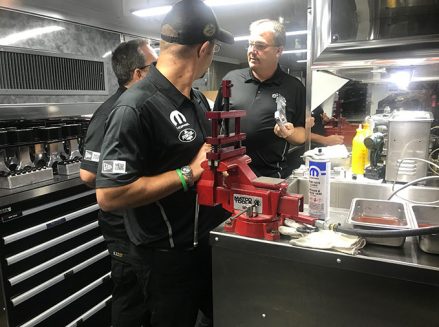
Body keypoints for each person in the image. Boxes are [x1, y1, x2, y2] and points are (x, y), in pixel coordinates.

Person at [95, 1, 233, 326]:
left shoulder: (197, 100)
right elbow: (110, 195)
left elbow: (205, 161)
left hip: (206, 247)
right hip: (165, 262)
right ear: (204, 49)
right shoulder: (135, 108)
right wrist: (188, 173)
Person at [80, 39, 157, 327]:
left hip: (141, 225)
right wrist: (125, 183)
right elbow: (88, 175)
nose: (161, 71)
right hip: (121, 228)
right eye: (155, 66)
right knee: (130, 300)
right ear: (138, 74)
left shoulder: (143, 106)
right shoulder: (111, 112)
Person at [214, 19, 306, 179]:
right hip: (229, 176)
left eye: (260, 46)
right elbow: (215, 126)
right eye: (250, 44)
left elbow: (302, 133)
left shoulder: (294, 87)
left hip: (270, 177)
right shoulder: (231, 80)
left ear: (279, 51)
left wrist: (289, 133)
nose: (252, 50)